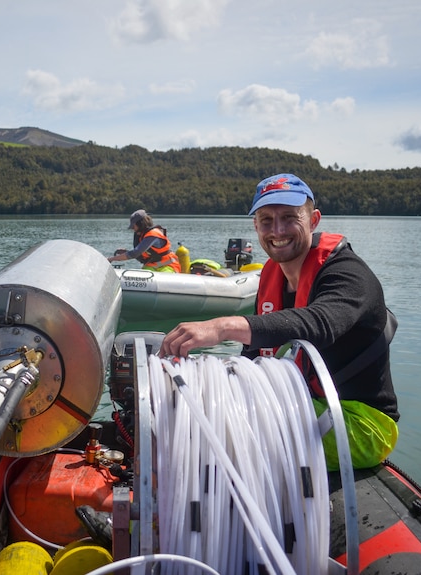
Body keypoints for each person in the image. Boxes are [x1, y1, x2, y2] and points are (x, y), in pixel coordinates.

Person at [159, 174, 399, 469]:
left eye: (289, 217)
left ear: (313, 220)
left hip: (360, 424)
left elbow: (319, 324)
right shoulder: (273, 275)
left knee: (221, 429)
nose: (278, 230)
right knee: (191, 406)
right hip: (299, 404)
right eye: (266, 220)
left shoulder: (348, 274)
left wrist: (222, 327)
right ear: (255, 226)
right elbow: (253, 357)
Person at [108, 209, 181, 273]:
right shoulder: (143, 236)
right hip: (152, 265)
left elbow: (135, 253)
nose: (133, 229)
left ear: (141, 224)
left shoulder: (153, 235)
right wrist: (126, 252)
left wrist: (111, 259)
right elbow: (140, 253)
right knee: (142, 275)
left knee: (163, 277)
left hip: (168, 265)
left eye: (134, 226)